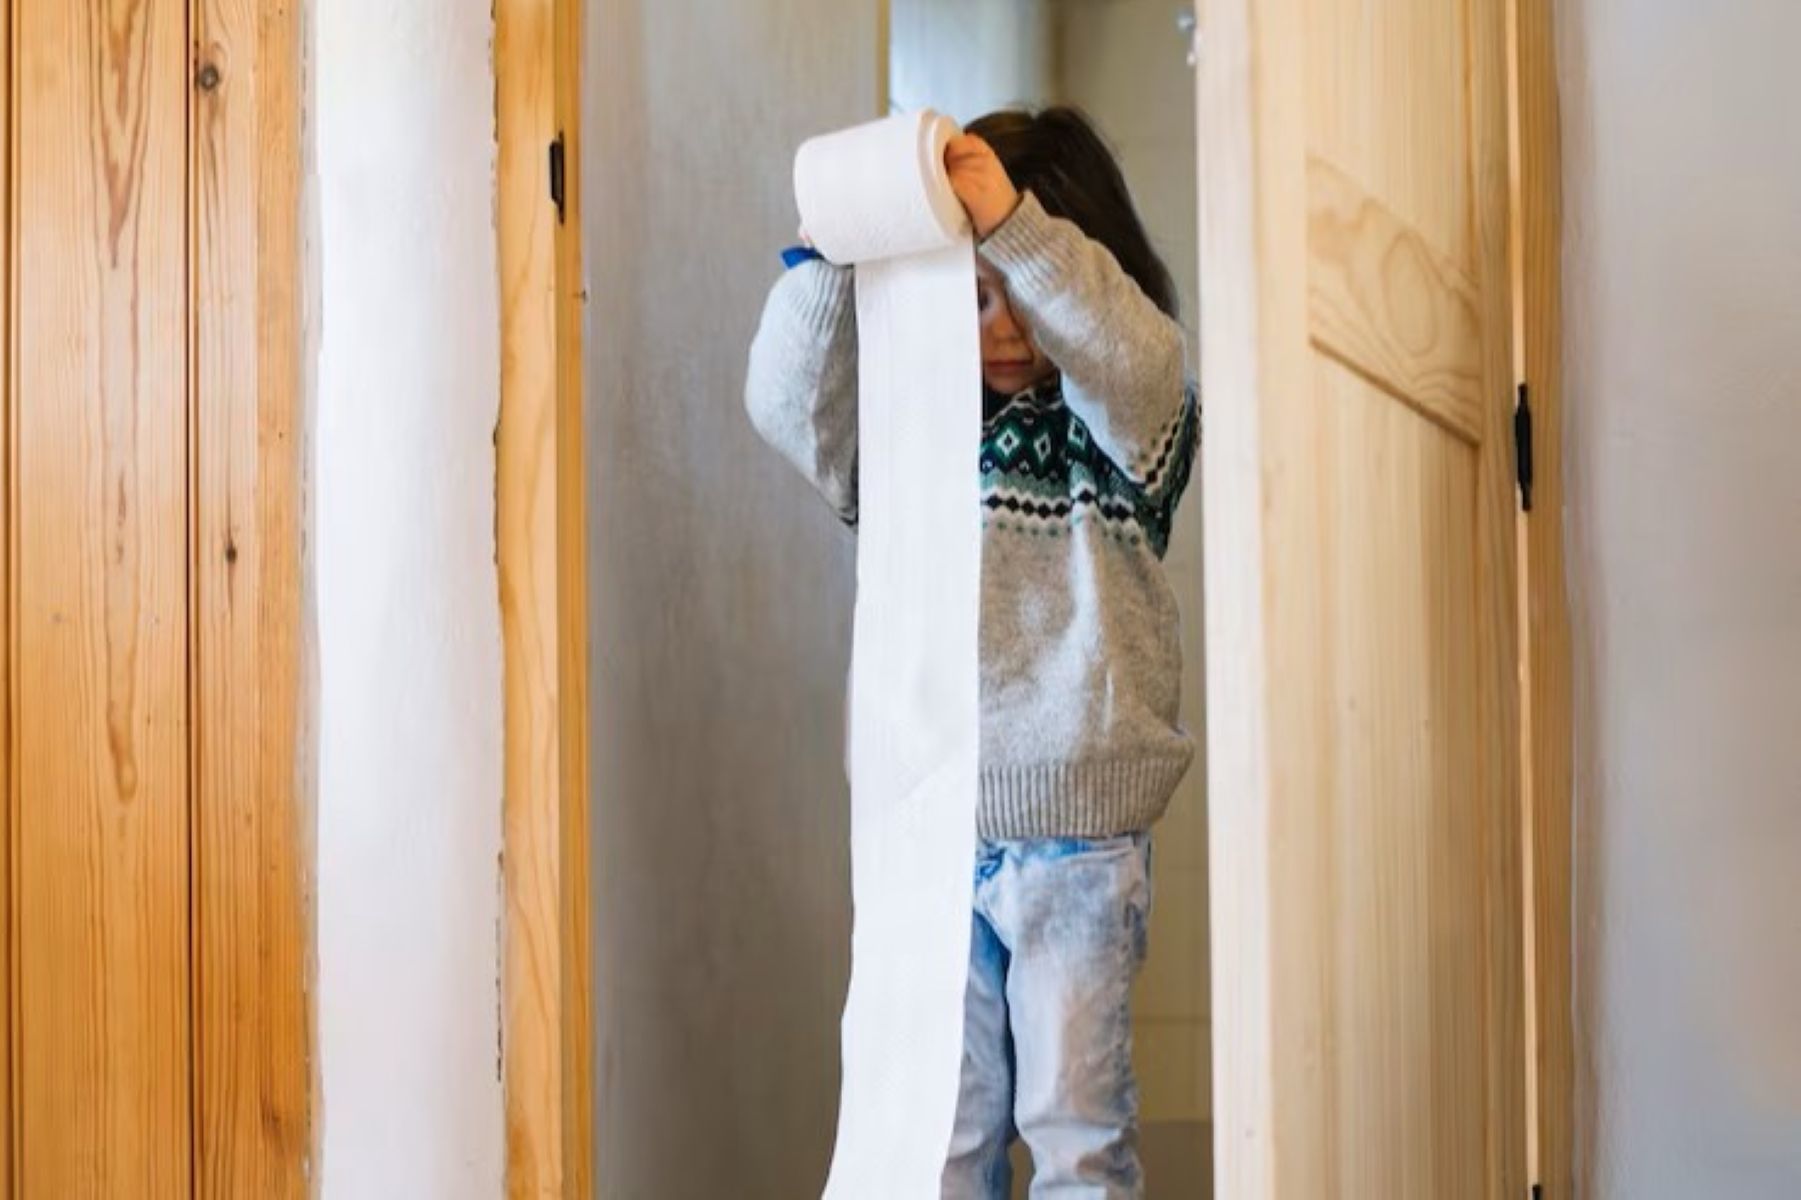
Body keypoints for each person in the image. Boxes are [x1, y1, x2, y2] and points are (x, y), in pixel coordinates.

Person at [745, 105, 1199, 1199]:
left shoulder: (1123, 433)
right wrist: (834, 251)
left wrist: (1015, 231)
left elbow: (1135, 361)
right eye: (973, 293)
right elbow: (786, 408)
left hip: (1076, 839)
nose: (998, 326)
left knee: (1076, 1141)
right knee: (937, 1147)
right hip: (933, 831)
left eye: (1017, 292)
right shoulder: (917, 434)